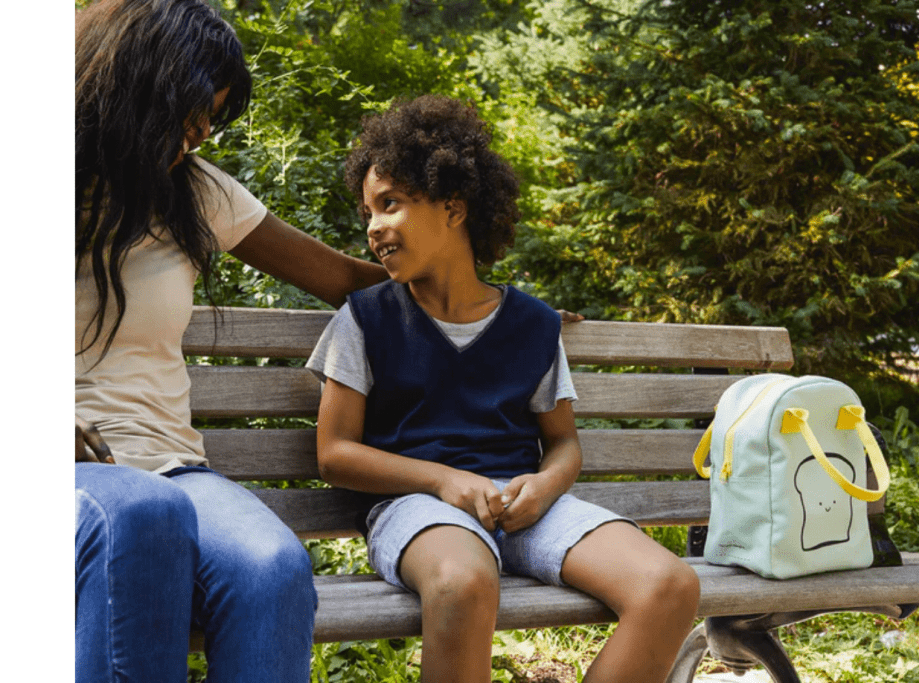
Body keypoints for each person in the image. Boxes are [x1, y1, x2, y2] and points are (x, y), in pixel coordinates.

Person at [307, 95, 701, 683]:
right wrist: (441, 478)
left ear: (453, 207)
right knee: (463, 582)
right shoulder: (365, 319)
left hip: (525, 509)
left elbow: (564, 444)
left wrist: (544, 486)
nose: (373, 227)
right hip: (418, 508)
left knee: (669, 585)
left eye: (390, 204)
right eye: (367, 211)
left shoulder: (533, 325)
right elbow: (334, 453)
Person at [74, 1, 390, 681]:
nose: (204, 132)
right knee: (142, 512)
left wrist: (492, 300)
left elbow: (344, 280)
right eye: (193, 112)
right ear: (139, 85)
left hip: (169, 467)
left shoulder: (194, 192)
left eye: (212, 115)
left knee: (271, 567)